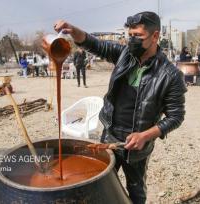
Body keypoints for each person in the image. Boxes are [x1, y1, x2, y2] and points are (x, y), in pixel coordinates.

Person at [54, 11, 186, 204]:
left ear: (155, 36)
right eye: (130, 35)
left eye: (138, 36)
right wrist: (73, 30)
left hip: (138, 143)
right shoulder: (125, 54)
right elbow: (95, 44)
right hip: (110, 136)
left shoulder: (170, 75)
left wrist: (145, 136)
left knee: (136, 189)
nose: (132, 41)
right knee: (103, 183)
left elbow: (176, 116)